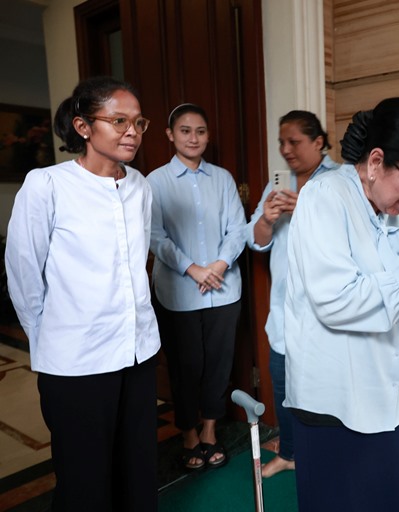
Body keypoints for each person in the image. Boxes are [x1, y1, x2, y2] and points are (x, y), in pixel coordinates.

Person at [282, 97, 399, 511]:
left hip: (389, 387)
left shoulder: (398, 206)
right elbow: (337, 301)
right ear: (376, 162)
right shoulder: (325, 198)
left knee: (387, 500)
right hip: (335, 396)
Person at [5, 76, 160, 511]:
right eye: (118, 120)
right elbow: (23, 273)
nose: (132, 131)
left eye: (138, 122)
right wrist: (50, 339)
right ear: (83, 127)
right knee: (85, 479)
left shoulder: (140, 187)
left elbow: (136, 266)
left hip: (138, 351)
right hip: (76, 360)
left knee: (138, 468)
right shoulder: (47, 185)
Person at [147, 103, 246, 470]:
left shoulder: (222, 178)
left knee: (219, 364)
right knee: (185, 366)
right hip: (178, 293)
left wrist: (217, 266)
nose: (194, 137)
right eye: (186, 130)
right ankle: (187, 433)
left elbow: (237, 229)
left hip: (224, 289)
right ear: (170, 135)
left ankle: (209, 431)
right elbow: (154, 236)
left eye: (201, 131)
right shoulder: (154, 181)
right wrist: (193, 270)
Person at [245, 110, 339, 478]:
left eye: (294, 141)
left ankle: (329, 457)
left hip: (328, 310)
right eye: (281, 142)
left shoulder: (340, 182)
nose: (285, 149)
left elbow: (350, 237)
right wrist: (267, 218)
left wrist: (307, 210)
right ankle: (289, 452)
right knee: (283, 384)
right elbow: (255, 241)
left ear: (318, 142)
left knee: (327, 389)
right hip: (284, 311)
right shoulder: (277, 186)